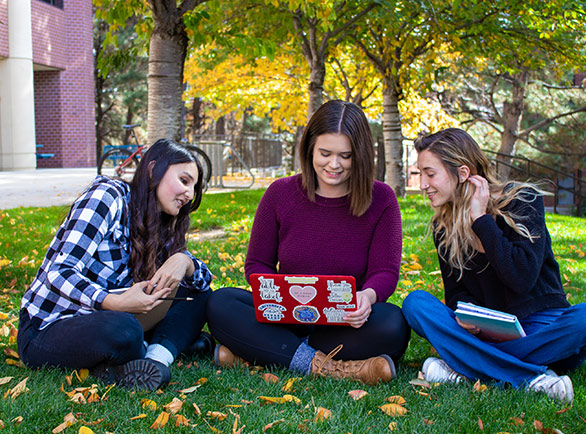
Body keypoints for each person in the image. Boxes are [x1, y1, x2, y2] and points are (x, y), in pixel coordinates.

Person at [206, 100, 410, 385]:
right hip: (282, 315)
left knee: (393, 325)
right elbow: (257, 263)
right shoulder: (280, 193)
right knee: (221, 302)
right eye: (325, 153)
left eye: (346, 156)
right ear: (309, 148)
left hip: (343, 323)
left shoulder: (382, 199)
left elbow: (385, 272)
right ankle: (322, 366)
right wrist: (271, 292)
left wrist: (369, 296)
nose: (334, 165)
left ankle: (261, 352)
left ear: (361, 156)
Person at [402, 127, 586, 403]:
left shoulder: (522, 200)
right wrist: (469, 315)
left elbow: (521, 278)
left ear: (462, 173)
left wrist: (481, 221)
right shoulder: (444, 226)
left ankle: (466, 366)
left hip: (541, 328)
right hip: (486, 334)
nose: (423, 184)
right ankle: (532, 379)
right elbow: (456, 294)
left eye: (430, 174)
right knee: (415, 303)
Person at [18, 139, 214, 390]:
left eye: (194, 186)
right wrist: (113, 302)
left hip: (110, 318)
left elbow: (203, 281)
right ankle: (163, 346)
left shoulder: (160, 223)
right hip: (48, 327)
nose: (189, 194)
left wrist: (184, 261)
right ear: (154, 170)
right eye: (184, 181)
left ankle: (155, 361)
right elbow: (59, 271)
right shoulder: (107, 196)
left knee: (197, 291)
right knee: (124, 330)